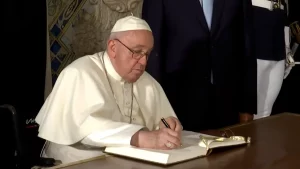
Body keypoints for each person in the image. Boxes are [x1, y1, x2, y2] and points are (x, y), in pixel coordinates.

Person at [35, 16, 182, 164]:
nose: (144, 62)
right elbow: (83, 129)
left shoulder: (148, 81)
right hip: (75, 163)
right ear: (113, 48)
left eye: (147, 54)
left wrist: (166, 126)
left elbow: (161, 123)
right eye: (137, 52)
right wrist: (139, 137)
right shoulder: (80, 73)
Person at [142, 0, 257, 131]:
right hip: (177, 105)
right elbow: (152, 51)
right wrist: (156, 110)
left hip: (228, 103)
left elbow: (247, 46)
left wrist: (247, 106)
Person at [252, 0, 291, 119]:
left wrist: (287, 48)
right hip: (255, 43)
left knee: (265, 112)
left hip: (277, 49)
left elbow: (285, 18)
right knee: (248, 111)